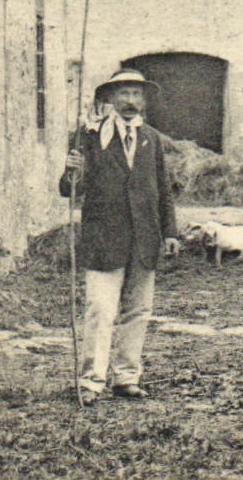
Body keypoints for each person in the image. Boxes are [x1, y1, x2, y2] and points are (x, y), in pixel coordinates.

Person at [59, 69, 180, 404]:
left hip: (145, 239)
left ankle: (127, 377)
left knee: (138, 310)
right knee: (100, 308)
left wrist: (169, 232)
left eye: (137, 95)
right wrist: (73, 170)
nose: (130, 101)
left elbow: (163, 190)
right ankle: (91, 381)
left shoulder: (151, 139)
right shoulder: (90, 135)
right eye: (124, 94)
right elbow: (71, 189)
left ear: (144, 101)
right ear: (111, 99)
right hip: (104, 238)